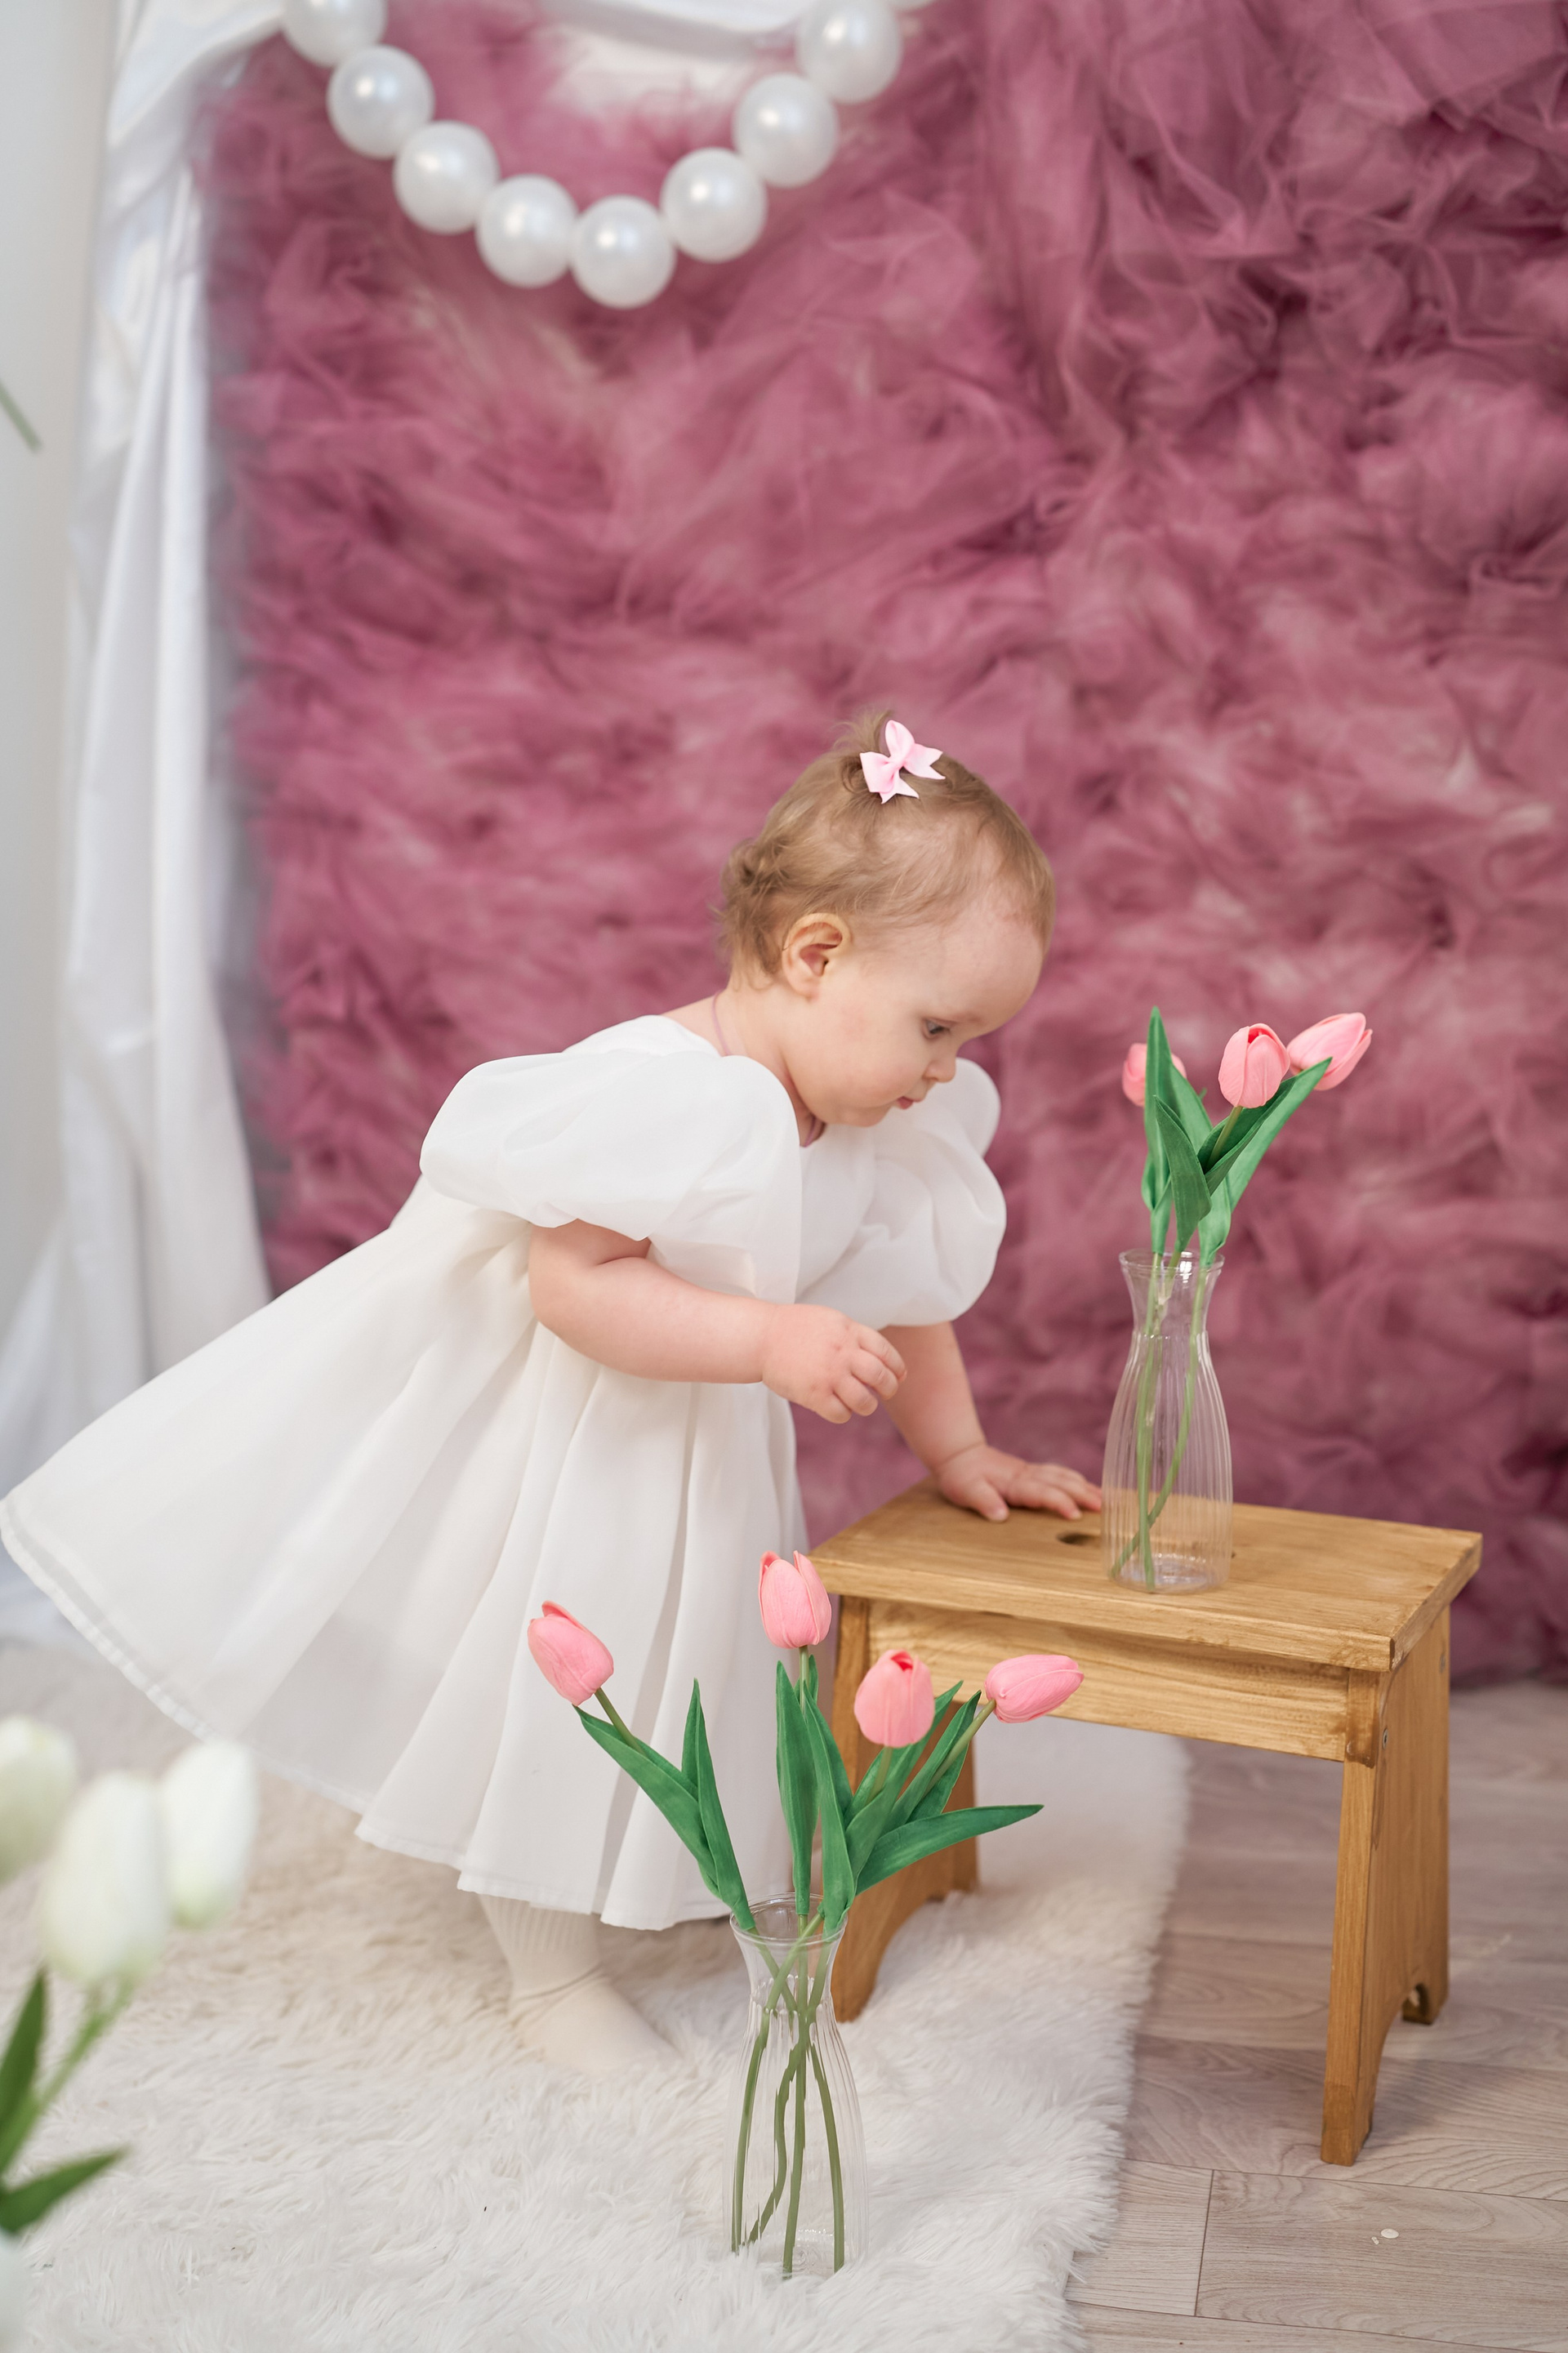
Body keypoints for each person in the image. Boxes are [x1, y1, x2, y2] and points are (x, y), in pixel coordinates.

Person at [0, 712, 1100, 2072]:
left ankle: (706, 1867)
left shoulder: (869, 1116)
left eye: (967, 1038)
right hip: (587, 1445)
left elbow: (908, 1290)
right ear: (815, 955)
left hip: (707, 1457)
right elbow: (573, 1286)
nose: (948, 1069)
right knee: (562, 1691)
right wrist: (767, 1339)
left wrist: (960, 1446)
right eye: (937, 1027)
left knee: (713, 1668)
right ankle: (549, 1973)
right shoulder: (666, 1094)